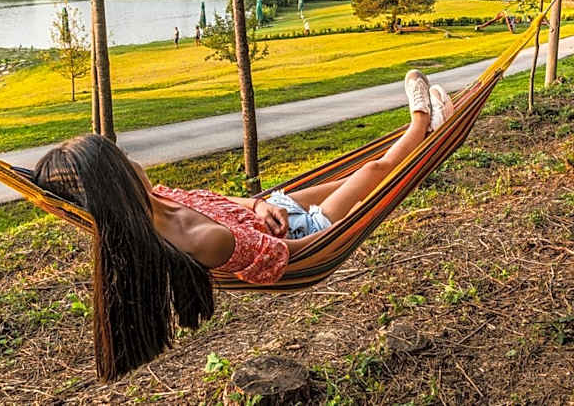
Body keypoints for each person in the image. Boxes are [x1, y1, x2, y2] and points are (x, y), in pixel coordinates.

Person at [32, 70, 454, 379]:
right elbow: (277, 256)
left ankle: (428, 129)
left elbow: (214, 201)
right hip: (305, 237)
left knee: (364, 171)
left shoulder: (154, 200)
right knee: (375, 172)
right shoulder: (200, 240)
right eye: (124, 163)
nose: (135, 162)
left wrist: (255, 205)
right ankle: (423, 122)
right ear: (117, 186)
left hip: (267, 212)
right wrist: (277, 220)